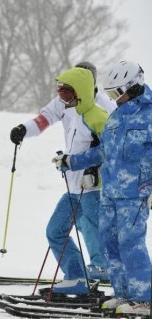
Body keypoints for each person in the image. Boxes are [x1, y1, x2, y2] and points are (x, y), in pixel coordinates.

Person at [53, 60, 152, 314]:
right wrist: (71, 161)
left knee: (131, 244)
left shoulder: (150, 115)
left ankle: (144, 299)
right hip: (110, 193)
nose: (114, 99)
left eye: (117, 92)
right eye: (110, 94)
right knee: (109, 244)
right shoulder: (118, 115)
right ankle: (123, 295)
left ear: (134, 86)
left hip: (135, 194)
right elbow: (103, 151)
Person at [9, 62, 116, 285]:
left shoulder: (102, 109)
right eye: (62, 89)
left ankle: (105, 268)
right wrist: (23, 129)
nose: (62, 94)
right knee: (56, 230)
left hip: (95, 186)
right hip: (74, 185)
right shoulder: (67, 104)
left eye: (67, 89)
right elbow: (44, 118)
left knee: (93, 225)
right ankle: (77, 277)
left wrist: (78, 162)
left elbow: (112, 148)